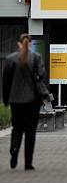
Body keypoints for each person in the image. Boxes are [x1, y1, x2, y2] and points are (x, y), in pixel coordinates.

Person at [2, 34, 49, 170]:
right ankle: (28, 163)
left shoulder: (10, 59)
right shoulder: (36, 58)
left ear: (19, 43)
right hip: (32, 100)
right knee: (30, 131)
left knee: (17, 128)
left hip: (15, 100)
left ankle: (14, 149)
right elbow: (41, 75)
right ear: (30, 43)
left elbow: (6, 82)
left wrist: (6, 99)